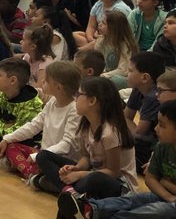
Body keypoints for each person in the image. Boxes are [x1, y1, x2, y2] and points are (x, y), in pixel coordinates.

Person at [59, 99, 176, 219]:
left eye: (162, 125)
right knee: (131, 200)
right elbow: (150, 179)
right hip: (164, 194)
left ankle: (93, 218)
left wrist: (164, 183)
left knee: (155, 212)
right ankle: (90, 209)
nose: (156, 129)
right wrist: (168, 194)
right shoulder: (163, 146)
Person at [46, 76, 138, 204]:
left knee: (94, 178)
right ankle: (71, 191)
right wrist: (76, 168)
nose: (75, 98)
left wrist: (80, 175)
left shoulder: (110, 133)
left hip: (118, 184)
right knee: (44, 156)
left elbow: (113, 172)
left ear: (92, 101)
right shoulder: (86, 126)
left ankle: (65, 188)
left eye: (79, 95)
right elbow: (86, 157)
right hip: (93, 173)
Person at [0, 60, 82, 187]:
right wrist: (8, 138)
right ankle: (35, 174)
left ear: (59, 87)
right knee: (12, 147)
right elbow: (34, 125)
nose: (43, 81)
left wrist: (37, 156)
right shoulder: (52, 102)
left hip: (62, 160)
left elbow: (67, 145)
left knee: (41, 159)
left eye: (47, 80)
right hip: (44, 153)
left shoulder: (74, 110)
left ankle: (34, 174)